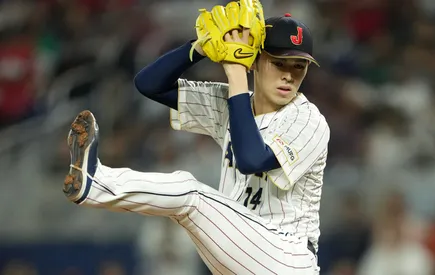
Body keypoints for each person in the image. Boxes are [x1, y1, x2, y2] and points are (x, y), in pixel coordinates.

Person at [62, 3, 330, 274]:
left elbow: (251, 159)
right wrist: (200, 47)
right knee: (187, 197)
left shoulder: (308, 120)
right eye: (278, 62)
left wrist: (236, 72)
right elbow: (149, 83)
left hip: (286, 257)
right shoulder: (232, 103)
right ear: (256, 60)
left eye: (299, 65)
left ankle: (96, 183)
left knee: (190, 193)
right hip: (240, 250)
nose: (288, 75)